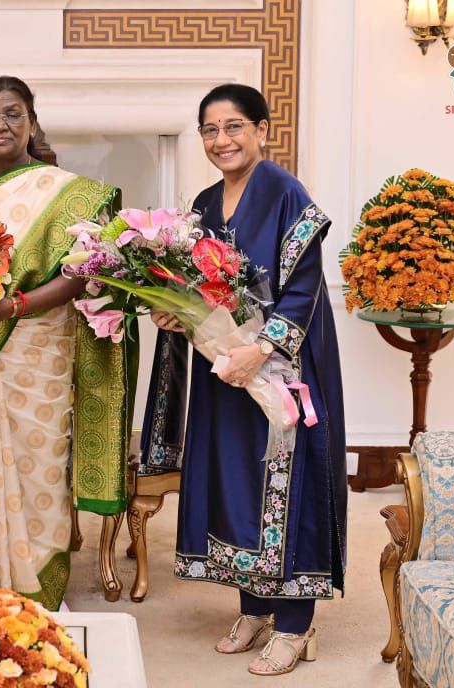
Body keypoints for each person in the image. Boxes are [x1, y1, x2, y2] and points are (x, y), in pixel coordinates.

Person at [144, 83, 346, 676]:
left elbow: (304, 287)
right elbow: (197, 291)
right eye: (210, 130)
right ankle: (256, 606)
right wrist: (172, 312)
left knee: (286, 481)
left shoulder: (286, 192)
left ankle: (295, 625)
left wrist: (262, 350)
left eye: (234, 126)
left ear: (261, 129)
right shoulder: (204, 203)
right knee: (236, 480)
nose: (222, 139)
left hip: (283, 367)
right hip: (223, 370)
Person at [0, 76, 135, 610]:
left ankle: (36, 591)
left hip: (39, 343)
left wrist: (16, 305)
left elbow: (85, 272)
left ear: (31, 123)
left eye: (12, 114)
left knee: (38, 462)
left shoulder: (65, 191)